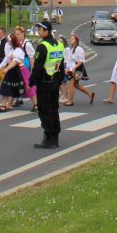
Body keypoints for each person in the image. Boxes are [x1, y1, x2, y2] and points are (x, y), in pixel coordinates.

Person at [29, 20, 66, 149]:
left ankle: (48, 139)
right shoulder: (59, 45)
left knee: (44, 110)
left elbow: (37, 67)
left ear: (46, 31)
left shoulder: (42, 46)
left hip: (44, 83)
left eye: (40, 30)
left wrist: (31, 82)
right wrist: (60, 80)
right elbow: (61, 65)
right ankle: (55, 137)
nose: (38, 32)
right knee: (54, 109)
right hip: (55, 81)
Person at [0, 34, 27, 111]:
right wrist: (0, 66)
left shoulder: (18, 50)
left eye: (9, 41)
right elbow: (6, 58)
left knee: (13, 87)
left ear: (13, 41)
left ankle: (6, 105)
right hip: (11, 69)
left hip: (15, 70)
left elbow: (15, 62)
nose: (8, 42)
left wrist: (7, 69)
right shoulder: (12, 49)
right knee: (7, 87)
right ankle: (5, 105)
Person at [63, 33, 94, 105]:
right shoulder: (70, 49)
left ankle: (70, 101)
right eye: (70, 38)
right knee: (76, 84)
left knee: (71, 84)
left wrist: (74, 68)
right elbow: (68, 60)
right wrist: (66, 68)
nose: (71, 39)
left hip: (78, 69)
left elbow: (81, 61)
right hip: (71, 68)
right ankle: (90, 93)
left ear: (76, 40)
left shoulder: (79, 49)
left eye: (72, 38)